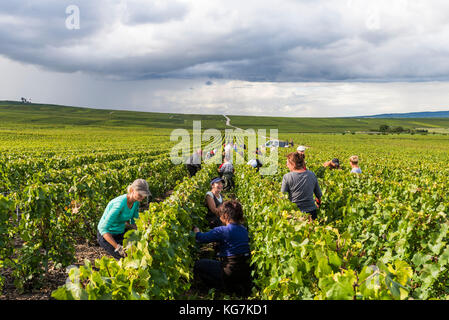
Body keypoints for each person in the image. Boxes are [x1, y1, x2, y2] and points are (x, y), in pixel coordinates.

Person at [193, 200, 252, 296]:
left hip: (229, 272)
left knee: (199, 265)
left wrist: (197, 231)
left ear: (225, 216)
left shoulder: (222, 230)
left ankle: (222, 288)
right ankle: (236, 287)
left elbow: (201, 238)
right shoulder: (244, 229)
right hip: (245, 272)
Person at [97, 179, 151, 260]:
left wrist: (145, 230)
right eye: (140, 194)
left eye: (144, 194)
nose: (143, 197)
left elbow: (134, 222)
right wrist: (118, 247)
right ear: (132, 190)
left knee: (135, 254)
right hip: (107, 236)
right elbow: (103, 229)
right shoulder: (119, 205)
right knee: (124, 258)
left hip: (120, 232)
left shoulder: (136, 202)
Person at [281, 152, 322, 220]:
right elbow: (318, 195)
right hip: (311, 213)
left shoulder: (287, 177)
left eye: (288, 163)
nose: (286, 165)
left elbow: (282, 197)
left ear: (293, 164)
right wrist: (318, 203)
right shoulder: (312, 174)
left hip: (295, 214)